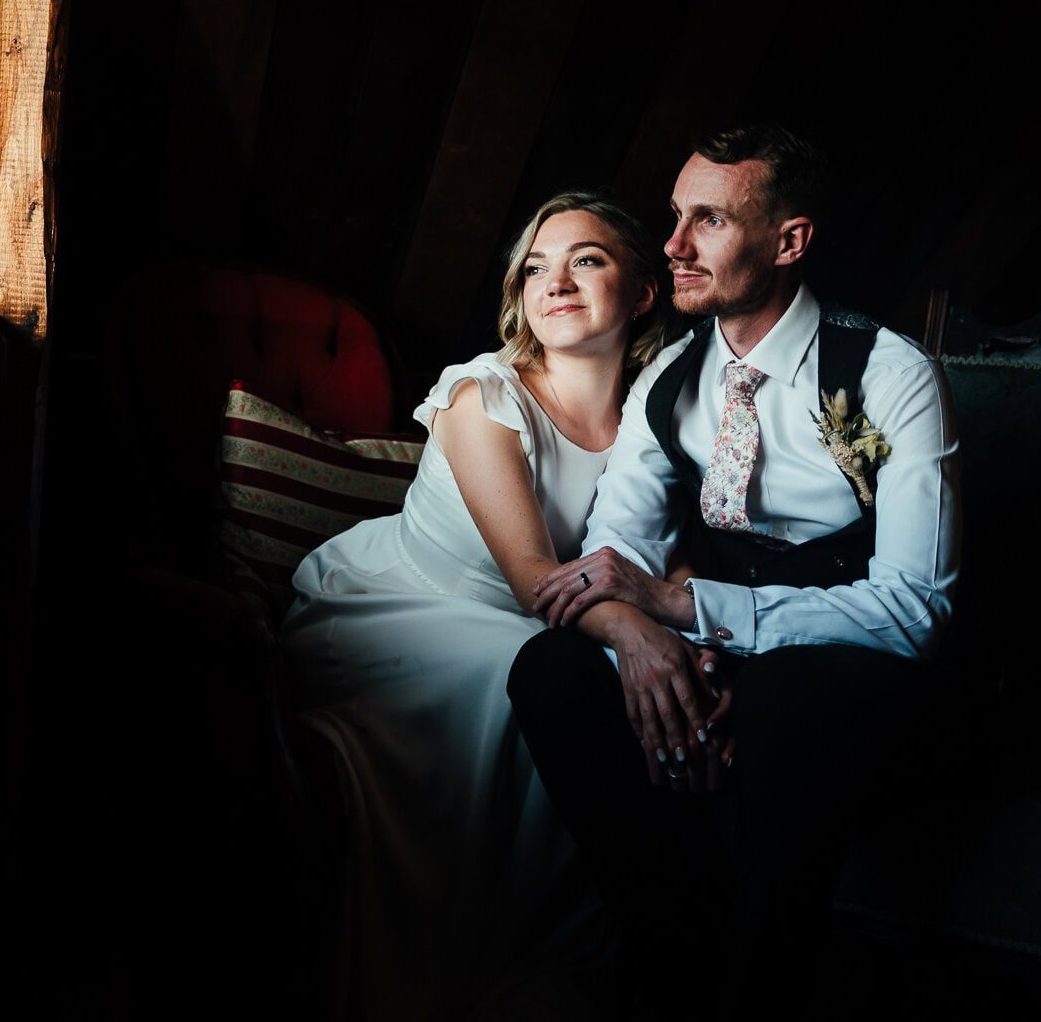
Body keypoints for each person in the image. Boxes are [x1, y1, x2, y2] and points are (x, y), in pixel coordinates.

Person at [506, 125, 963, 996]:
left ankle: (756, 981)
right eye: (675, 217)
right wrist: (647, 645)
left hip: (860, 665)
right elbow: (610, 560)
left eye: (706, 221)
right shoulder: (671, 377)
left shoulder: (890, 375)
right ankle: (668, 952)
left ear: (788, 242)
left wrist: (688, 612)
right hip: (717, 642)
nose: (671, 246)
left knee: (783, 708)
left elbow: (915, 611)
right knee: (551, 669)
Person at [280, 191, 666, 1020]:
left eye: (586, 259)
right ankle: (456, 982)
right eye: (535, 267)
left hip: (541, 625)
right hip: (403, 603)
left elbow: (662, 557)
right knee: (535, 687)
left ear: (641, 292)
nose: (555, 281)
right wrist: (633, 631)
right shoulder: (482, 394)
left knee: (588, 686)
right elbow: (535, 577)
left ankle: (585, 968)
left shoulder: (656, 415)